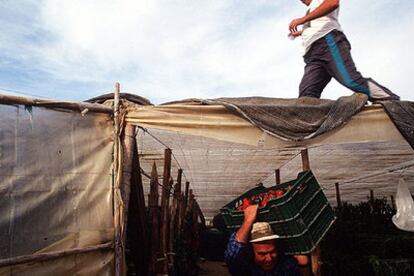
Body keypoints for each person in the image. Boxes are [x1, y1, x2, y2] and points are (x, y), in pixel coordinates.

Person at [288, 0, 400, 102]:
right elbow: (315, 25)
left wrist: (301, 20)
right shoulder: (312, 9)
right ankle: (311, 120)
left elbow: (332, 3)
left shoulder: (319, 2)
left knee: (351, 81)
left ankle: (392, 101)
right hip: (312, 55)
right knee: (306, 95)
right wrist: (299, 33)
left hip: (328, 43)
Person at [224, 204, 304, 275]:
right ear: (252, 252)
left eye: (272, 252)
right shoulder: (245, 269)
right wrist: (248, 220)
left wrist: (304, 266)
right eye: (262, 254)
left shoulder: (285, 266)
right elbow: (232, 257)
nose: (269, 259)